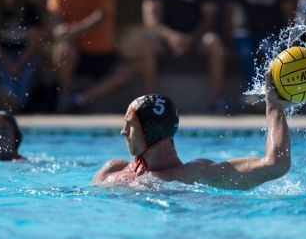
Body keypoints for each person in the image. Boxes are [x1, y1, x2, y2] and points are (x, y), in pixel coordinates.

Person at [92, 70, 291, 190]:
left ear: (150, 131)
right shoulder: (112, 170)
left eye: (130, 125)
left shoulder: (196, 174)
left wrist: (273, 106)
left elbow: (276, 164)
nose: (123, 131)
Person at [140, 0, 226, 112]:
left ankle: (217, 102)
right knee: (148, 45)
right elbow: (150, 20)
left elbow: (209, 18)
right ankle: (150, 104)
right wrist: (172, 36)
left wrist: (190, 37)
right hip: (166, 38)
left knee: (214, 43)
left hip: (195, 37)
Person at [47, 0, 132, 112]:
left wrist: (70, 31)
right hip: (77, 53)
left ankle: (79, 99)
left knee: (124, 73)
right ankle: (65, 95)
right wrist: (59, 31)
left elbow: (98, 19)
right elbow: (55, 25)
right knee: (63, 50)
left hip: (103, 53)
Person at [226, 0, 294, 98]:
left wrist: (290, 39)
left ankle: (273, 93)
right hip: (248, 32)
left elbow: (289, 12)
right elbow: (229, 12)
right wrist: (228, 40)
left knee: (272, 50)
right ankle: (252, 92)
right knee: (244, 46)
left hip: (274, 32)